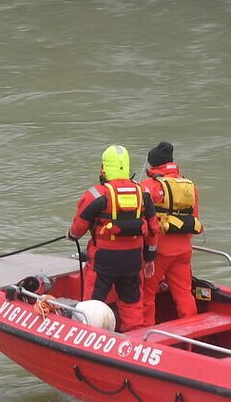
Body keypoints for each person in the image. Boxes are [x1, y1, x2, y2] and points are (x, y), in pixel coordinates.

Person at [68, 145, 158, 331]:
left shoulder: (96, 194)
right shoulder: (144, 194)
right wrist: (149, 259)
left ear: (104, 168)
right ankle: (134, 339)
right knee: (132, 302)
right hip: (133, 260)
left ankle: (89, 337)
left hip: (103, 260)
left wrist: (71, 235)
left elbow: (78, 228)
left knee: (93, 304)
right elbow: (153, 230)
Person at [139, 140, 203, 320]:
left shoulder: (148, 187)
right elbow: (195, 217)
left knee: (147, 294)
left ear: (154, 164)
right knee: (184, 293)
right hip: (183, 250)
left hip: (158, 250)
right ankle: (190, 332)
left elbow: (143, 223)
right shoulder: (190, 187)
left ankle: (146, 336)